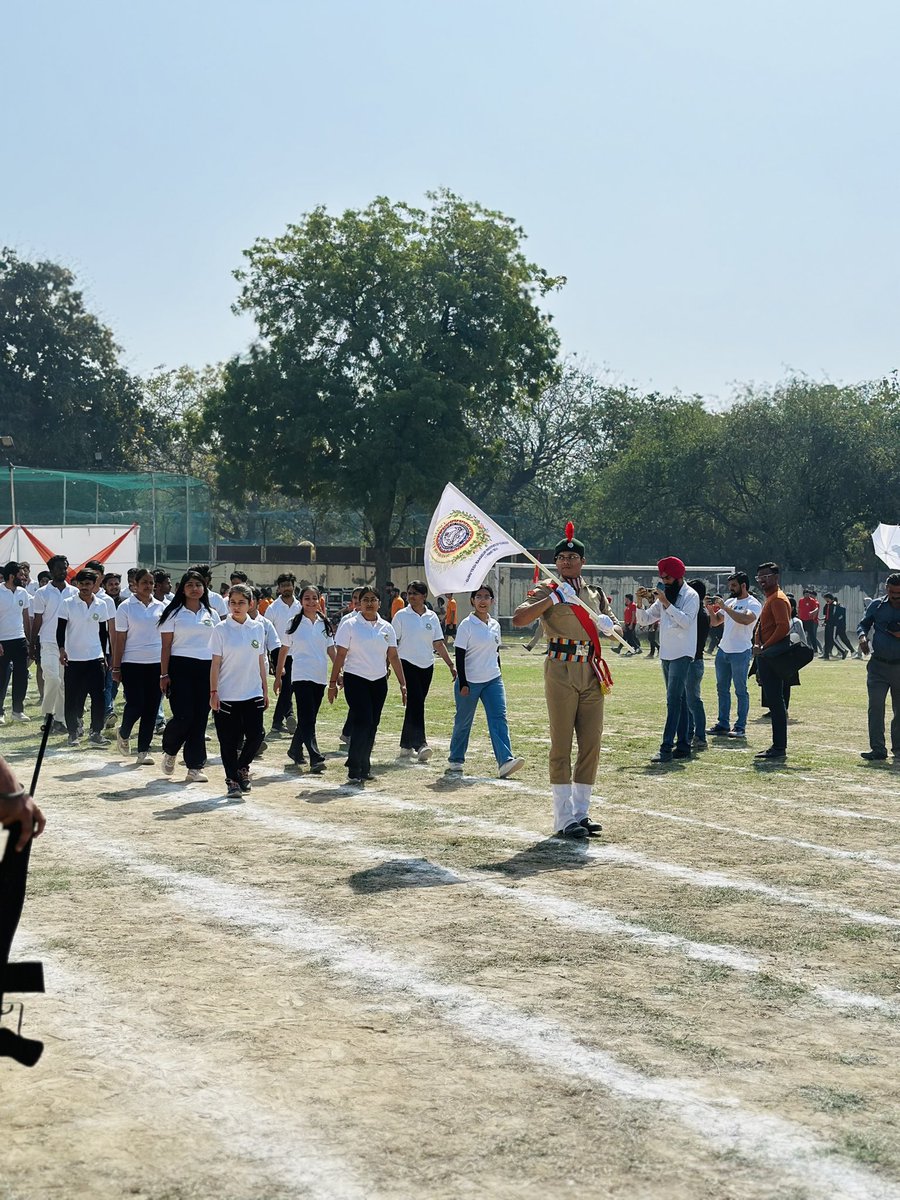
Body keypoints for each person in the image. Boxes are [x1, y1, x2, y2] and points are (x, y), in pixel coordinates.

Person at [512, 525, 615, 837]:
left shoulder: (594, 594)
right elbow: (519, 618)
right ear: (555, 562)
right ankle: (563, 817)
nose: (567, 561)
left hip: (591, 668)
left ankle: (581, 812)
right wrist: (554, 597)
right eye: (562, 557)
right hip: (561, 667)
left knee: (591, 743)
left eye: (573, 556)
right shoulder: (545, 589)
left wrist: (611, 627)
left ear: (582, 561)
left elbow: (613, 630)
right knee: (561, 744)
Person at [328, 586, 406, 786]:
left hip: (378, 681)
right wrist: (332, 682)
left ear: (380, 603)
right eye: (365, 600)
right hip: (356, 679)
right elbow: (341, 655)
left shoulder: (386, 627)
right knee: (363, 721)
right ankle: (354, 767)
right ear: (358, 603)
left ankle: (364, 764)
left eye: (373, 599)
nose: (369, 603)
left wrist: (403, 684)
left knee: (373, 724)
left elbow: (393, 656)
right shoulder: (350, 625)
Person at [447, 584, 524, 782]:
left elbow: (495, 652)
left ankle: (505, 761)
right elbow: (460, 655)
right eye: (478, 597)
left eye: (486, 597)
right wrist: (463, 682)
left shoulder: (495, 625)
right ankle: (456, 759)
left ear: (492, 600)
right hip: (469, 681)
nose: (482, 600)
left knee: (499, 718)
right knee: (463, 721)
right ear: (472, 601)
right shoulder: (467, 625)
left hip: (493, 679)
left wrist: (499, 673)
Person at [635, 556, 700, 763]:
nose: (664, 581)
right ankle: (683, 746)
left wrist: (665, 602)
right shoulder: (665, 596)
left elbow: (686, 622)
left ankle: (665, 748)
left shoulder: (691, 595)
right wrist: (639, 601)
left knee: (673, 701)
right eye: (662, 577)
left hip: (682, 653)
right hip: (666, 654)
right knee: (678, 702)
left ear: (679, 577)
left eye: (668, 577)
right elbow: (644, 620)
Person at [209, 584, 269, 798]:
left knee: (256, 735)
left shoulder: (258, 628)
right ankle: (232, 781)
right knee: (228, 741)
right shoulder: (221, 629)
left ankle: (242, 768)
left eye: (241, 602)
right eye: (232, 602)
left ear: (250, 604)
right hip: (227, 694)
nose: (236, 606)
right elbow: (215, 663)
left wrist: (265, 688)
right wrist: (213, 692)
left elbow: (260, 660)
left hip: (252, 692)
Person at [158, 570, 218, 783]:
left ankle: (195, 767)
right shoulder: (173, 613)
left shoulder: (211, 613)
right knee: (184, 715)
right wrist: (164, 674)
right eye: (190, 584)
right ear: (182, 589)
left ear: (204, 588)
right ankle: (170, 749)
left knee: (200, 718)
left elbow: (218, 647)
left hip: (205, 669)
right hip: (180, 668)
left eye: (198, 585)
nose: (195, 588)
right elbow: (165, 646)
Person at [392, 580, 456, 762]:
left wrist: (451, 665)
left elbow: (438, 642)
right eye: (409, 593)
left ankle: (405, 745)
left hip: (427, 665)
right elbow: (392, 644)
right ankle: (421, 744)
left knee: (415, 704)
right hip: (407, 664)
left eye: (415, 593)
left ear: (424, 596)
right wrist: (387, 664)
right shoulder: (401, 616)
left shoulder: (432, 617)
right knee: (417, 702)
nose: (411, 596)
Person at [274, 586, 336, 773]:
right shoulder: (293, 622)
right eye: (307, 598)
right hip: (301, 676)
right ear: (301, 601)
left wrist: (339, 672)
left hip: (319, 676)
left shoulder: (324, 623)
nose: (311, 602)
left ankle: (295, 749)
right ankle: (315, 757)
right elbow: (284, 650)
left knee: (310, 718)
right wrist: (278, 676)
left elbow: (331, 650)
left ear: (319, 600)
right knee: (307, 717)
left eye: (314, 598)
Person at [112, 568, 166, 764]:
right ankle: (124, 731)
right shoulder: (125, 607)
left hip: (156, 663)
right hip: (132, 663)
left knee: (152, 707)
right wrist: (116, 667)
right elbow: (120, 638)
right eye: (144, 582)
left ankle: (143, 750)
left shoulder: (161, 607)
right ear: (135, 584)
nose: (148, 586)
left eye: (151, 583)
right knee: (136, 704)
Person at [56, 569, 110, 748]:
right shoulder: (67, 603)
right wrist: (62, 650)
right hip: (74, 658)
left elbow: (103, 632)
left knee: (99, 697)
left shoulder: (101, 604)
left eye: (89, 584)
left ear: (95, 585)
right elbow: (60, 629)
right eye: (82, 584)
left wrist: (104, 654)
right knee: (71, 696)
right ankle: (73, 732)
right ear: (76, 584)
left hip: (95, 658)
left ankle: (96, 732)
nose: (85, 587)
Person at [707, 571, 763, 740]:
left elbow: (746, 620)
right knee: (722, 689)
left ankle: (740, 726)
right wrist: (710, 608)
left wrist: (725, 608)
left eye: (733, 585)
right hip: (724, 650)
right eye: (730, 585)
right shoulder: (730, 601)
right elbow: (716, 621)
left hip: (741, 651)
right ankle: (723, 724)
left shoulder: (753, 603)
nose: (730, 589)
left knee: (740, 690)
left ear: (743, 586)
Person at [29, 555, 75, 733]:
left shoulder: (73, 592)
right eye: (58, 568)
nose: (62, 571)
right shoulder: (42, 593)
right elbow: (38, 620)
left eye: (65, 568)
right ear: (51, 570)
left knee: (63, 683)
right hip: (47, 642)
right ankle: (48, 714)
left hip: (68, 644)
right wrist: (33, 644)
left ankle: (59, 720)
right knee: (53, 679)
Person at [751, 562, 793, 761]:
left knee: (776, 703)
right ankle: (778, 745)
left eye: (766, 576)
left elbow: (783, 627)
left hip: (771, 656)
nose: (762, 580)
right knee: (775, 702)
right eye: (759, 576)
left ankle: (779, 746)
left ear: (776, 577)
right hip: (767, 656)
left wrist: (765, 647)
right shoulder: (770, 598)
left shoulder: (777, 599)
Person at [857, 573, 900, 761]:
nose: (895, 597)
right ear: (886, 589)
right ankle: (878, 749)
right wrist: (862, 637)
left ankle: (898, 748)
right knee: (875, 707)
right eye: (891, 592)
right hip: (878, 666)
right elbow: (863, 624)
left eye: (898, 594)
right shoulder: (876, 605)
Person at [266, 573, 301, 735]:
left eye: (289, 585)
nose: (286, 588)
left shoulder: (300, 606)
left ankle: (279, 721)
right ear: (278, 589)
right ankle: (285, 717)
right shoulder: (273, 608)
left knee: (290, 688)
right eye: (283, 586)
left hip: (297, 653)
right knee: (286, 687)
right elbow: (265, 631)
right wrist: (270, 658)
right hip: (279, 653)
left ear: (294, 586)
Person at [0, 562, 32, 724]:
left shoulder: (23, 593)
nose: (24, 577)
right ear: (12, 576)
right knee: (1, 677)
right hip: (2, 642)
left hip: (19, 640)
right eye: (21, 574)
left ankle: (17, 710)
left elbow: (26, 618)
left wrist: (29, 640)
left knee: (21, 676)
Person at [685, 579, 710, 750]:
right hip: (693, 661)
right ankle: (689, 733)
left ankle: (700, 736)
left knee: (693, 700)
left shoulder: (698, 615)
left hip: (693, 662)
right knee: (688, 700)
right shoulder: (699, 612)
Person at [822, 593, 853, 660]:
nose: (826, 600)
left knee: (833, 639)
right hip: (828, 624)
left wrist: (835, 621)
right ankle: (826, 654)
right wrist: (825, 622)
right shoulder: (827, 605)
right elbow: (827, 615)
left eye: (826, 599)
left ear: (829, 598)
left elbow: (835, 615)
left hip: (833, 625)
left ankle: (843, 651)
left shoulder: (835, 605)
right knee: (827, 639)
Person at [798, 588, 821, 656]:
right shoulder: (801, 600)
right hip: (802, 620)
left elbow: (816, 609)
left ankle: (815, 651)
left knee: (812, 636)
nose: (807, 596)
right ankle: (801, 650)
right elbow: (799, 609)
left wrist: (812, 612)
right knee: (801, 636)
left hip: (809, 620)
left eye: (808, 594)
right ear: (803, 594)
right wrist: (799, 617)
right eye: (806, 594)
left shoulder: (812, 601)